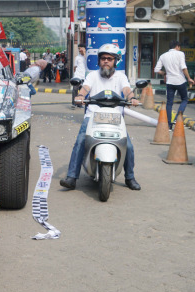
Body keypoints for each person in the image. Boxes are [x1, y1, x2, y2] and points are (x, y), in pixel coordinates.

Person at [59, 43, 142, 191]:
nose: (106, 61)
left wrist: (132, 98)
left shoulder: (120, 76)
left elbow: (126, 90)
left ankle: (130, 177)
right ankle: (71, 177)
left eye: (109, 59)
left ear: (115, 61)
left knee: (128, 146)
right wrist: (80, 95)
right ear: (99, 61)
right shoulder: (92, 75)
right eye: (103, 58)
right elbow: (85, 88)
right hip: (92, 116)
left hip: (115, 118)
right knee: (80, 142)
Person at [154, 40, 194, 130]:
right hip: (180, 81)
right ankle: (177, 118)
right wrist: (189, 78)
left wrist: (164, 74)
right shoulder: (180, 54)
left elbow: (156, 70)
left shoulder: (163, 56)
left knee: (169, 103)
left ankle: (169, 125)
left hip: (170, 82)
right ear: (177, 46)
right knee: (184, 99)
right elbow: (183, 68)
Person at [72, 43, 87, 108]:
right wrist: (75, 74)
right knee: (75, 89)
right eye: (79, 48)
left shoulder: (87, 57)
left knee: (81, 91)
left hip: (84, 77)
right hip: (77, 76)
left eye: (81, 48)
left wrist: (84, 54)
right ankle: (74, 103)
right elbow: (75, 67)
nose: (79, 50)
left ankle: (80, 104)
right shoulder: (77, 57)